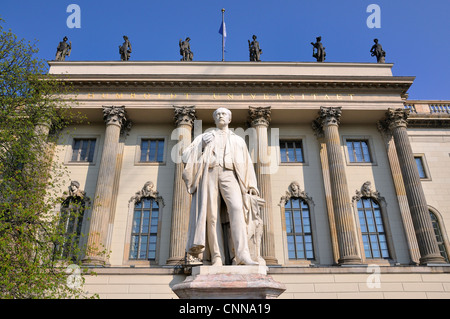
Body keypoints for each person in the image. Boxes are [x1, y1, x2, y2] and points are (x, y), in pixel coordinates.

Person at [182, 107, 260, 266]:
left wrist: (251, 185)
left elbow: (247, 163)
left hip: (230, 174)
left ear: (229, 119)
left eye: (224, 114)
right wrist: (201, 145)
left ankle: (242, 255)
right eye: (217, 114)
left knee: (237, 209)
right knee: (212, 216)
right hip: (209, 173)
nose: (220, 116)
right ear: (215, 119)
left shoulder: (238, 140)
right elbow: (185, 156)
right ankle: (217, 257)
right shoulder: (205, 137)